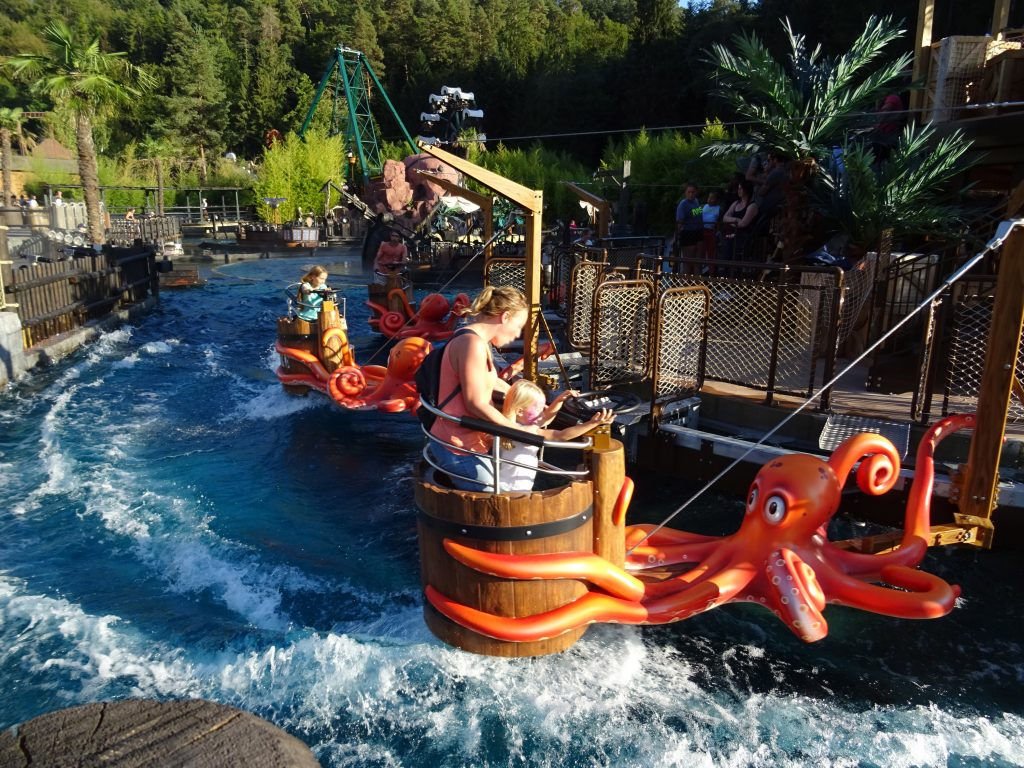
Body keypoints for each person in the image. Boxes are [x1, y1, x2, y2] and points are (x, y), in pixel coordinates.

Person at [428, 286, 530, 492]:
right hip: (457, 446)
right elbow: (475, 404)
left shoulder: (475, 339)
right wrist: (518, 431)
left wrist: (528, 399)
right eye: (518, 326)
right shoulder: (471, 344)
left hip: (465, 441)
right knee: (493, 497)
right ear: (505, 317)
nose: (518, 334)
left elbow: (486, 381)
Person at [498, 380, 614, 492]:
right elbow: (561, 436)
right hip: (515, 488)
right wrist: (592, 423)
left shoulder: (511, 424)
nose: (542, 413)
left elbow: (546, 416)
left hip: (506, 484)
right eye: (538, 409)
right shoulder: (528, 431)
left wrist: (559, 400)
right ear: (520, 411)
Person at [720, 178, 759, 266]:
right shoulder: (736, 203)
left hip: (743, 236)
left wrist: (731, 221)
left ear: (746, 190)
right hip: (731, 232)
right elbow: (725, 217)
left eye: (741, 188)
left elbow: (743, 224)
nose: (739, 190)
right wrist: (735, 220)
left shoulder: (752, 206)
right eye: (738, 188)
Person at [673, 184, 703, 265]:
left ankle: (697, 273)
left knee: (698, 262)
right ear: (685, 193)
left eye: (693, 192)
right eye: (689, 192)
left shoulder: (696, 201)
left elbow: (696, 215)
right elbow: (680, 222)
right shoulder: (683, 204)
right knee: (688, 263)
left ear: (696, 192)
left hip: (699, 232)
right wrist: (675, 237)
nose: (691, 194)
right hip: (688, 233)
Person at [698, 190, 722, 272]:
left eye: (712, 198)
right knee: (700, 253)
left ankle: (712, 273)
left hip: (711, 232)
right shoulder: (703, 207)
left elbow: (720, 223)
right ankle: (698, 272)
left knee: (711, 254)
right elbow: (693, 213)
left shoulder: (719, 209)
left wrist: (717, 232)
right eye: (709, 197)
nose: (709, 199)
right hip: (701, 231)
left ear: (716, 200)